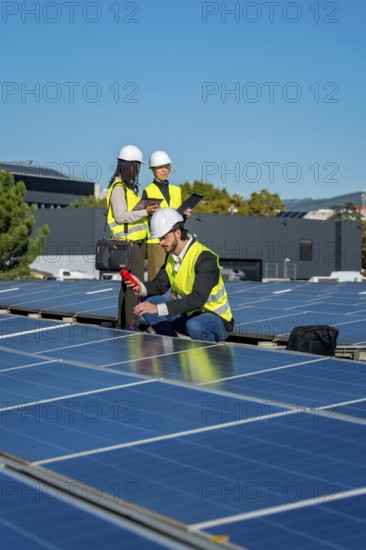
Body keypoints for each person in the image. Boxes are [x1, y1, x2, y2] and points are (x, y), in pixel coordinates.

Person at [125, 208, 234, 342]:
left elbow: (197, 299)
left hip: (215, 319)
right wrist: (140, 287)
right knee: (147, 305)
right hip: (187, 314)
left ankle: (209, 352)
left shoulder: (205, 258)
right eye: (159, 238)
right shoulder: (171, 256)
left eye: (164, 237)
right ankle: (173, 346)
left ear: (178, 233)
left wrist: (158, 309)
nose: (161, 243)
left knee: (195, 325)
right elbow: (160, 284)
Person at [107, 145, 159, 329]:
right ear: (128, 165)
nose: (137, 170)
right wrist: (144, 212)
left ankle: (124, 324)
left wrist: (147, 211)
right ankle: (131, 325)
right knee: (133, 287)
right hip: (128, 245)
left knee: (127, 286)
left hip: (134, 243)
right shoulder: (119, 188)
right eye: (136, 166)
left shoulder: (128, 188)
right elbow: (121, 216)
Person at [142, 151, 192, 280]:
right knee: (156, 278)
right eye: (160, 167)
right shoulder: (148, 190)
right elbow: (144, 218)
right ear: (153, 169)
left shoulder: (177, 190)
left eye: (166, 167)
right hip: (157, 241)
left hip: (176, 239)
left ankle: (174, 301)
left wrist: (185, 215)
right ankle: (154, 301)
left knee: (177, 277)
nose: (164, 170)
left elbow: (178, 219)